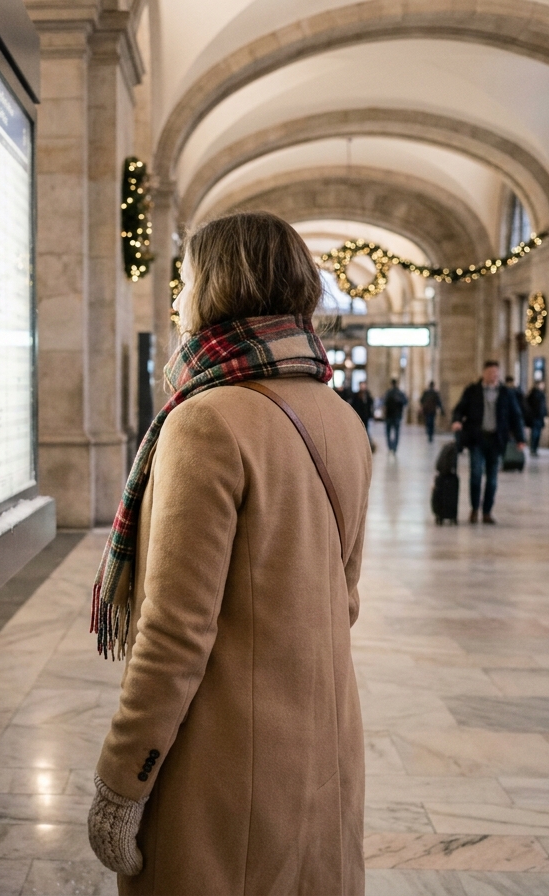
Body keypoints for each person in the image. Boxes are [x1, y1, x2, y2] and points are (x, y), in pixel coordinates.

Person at [87, 212, 370, 894]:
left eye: (184, 280)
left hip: (228, 765)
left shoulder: (205, 421)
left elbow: (176, 631)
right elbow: (346, 598)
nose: (178, 299)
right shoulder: (339, 415)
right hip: (322, 751)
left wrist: (123, 783)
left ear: (214, 288)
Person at [451, 360, 526, 524]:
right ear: (484, 373)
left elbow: (516, 416)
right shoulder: (472, 391)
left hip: (496, 440)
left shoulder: (506, 393)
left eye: (497, 374)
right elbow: (459, 408)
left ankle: (487, 511)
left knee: (492, 478)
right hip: (477, 439)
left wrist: (520, 438)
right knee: (476, 474)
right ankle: (474, 509)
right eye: (491, 373)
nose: (494, 376)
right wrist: (457, 421)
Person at [382, 378, 408, 454]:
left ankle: (390, 446)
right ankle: (395, 447)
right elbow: (405, 402)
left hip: (389, 416)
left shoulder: (388, 393)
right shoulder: (400, 393)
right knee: (396, 432)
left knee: (388, 432)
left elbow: (384, 403)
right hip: (397, 416)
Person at [525, 381, 548, 456]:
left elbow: (543, 406)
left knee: (538, 434)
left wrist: (545, 414)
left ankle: (535, 449)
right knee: (534, 433)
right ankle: (532, 448)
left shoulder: (542, 395)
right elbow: (527, 406)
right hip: (534, 417)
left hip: (540, 417)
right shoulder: (532, 394)